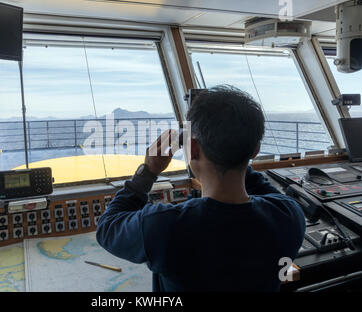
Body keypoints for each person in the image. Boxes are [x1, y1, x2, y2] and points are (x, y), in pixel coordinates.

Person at [96, 85, 306, 291]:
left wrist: (149, 171)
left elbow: (107, 227)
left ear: (193, 148)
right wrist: (236, 149)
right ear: (255, 150)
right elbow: (264, 190)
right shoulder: (290, 216)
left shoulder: (164, 226)